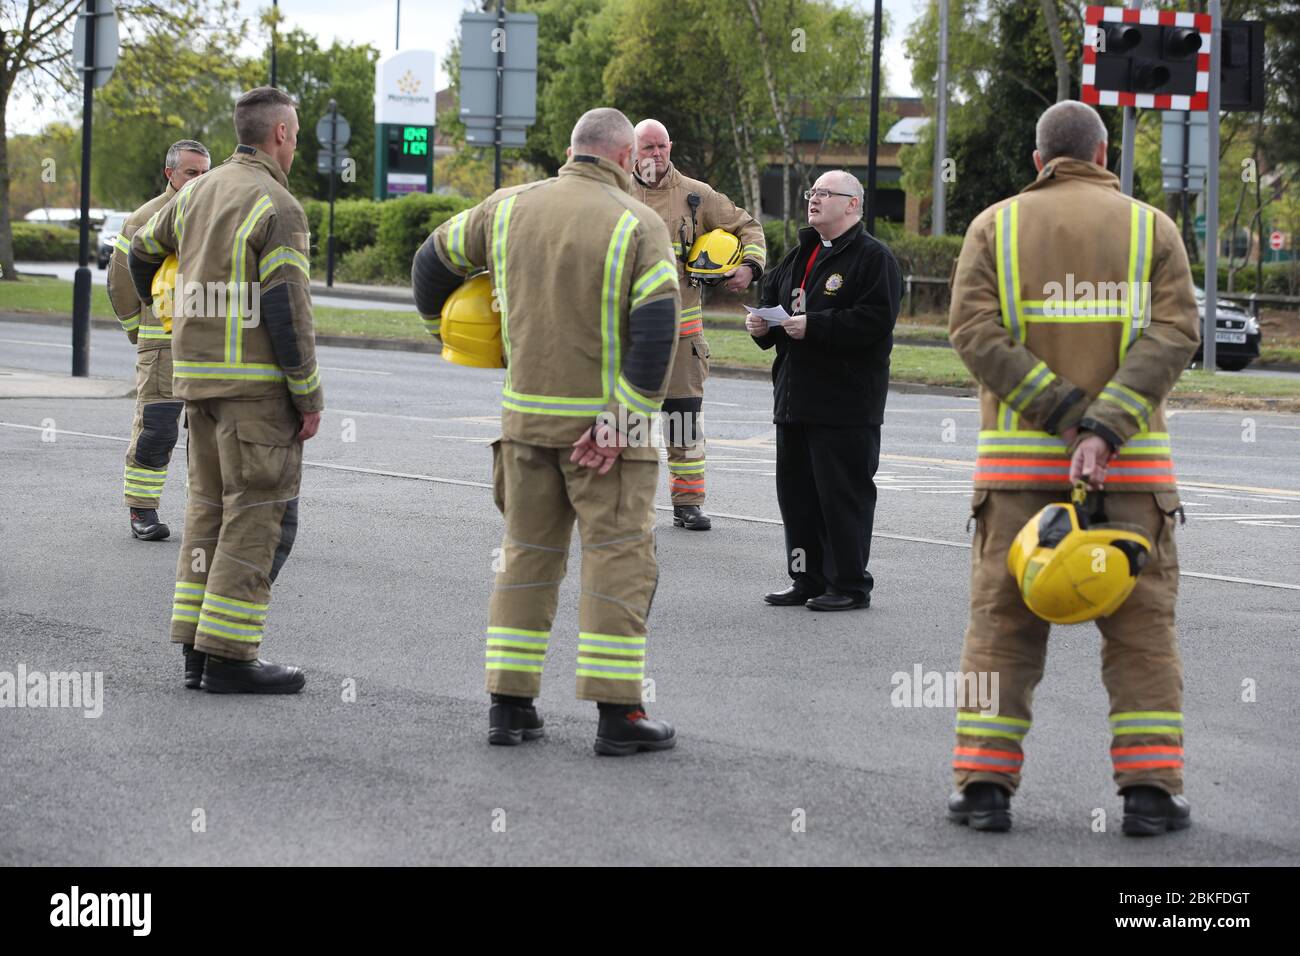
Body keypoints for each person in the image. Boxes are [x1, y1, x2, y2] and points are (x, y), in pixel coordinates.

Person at [944, 100, 1199, 834]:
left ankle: (983, 787)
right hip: (1131, 481)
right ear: (1104, 152)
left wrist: (1058, 414)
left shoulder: (996, 226)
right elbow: (1176, 331)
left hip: (1018, 482)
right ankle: (1151, 793)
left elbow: (972, 331)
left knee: (1001, 631)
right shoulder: (1154, 228)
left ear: (1038, 160)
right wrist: (1103, 426)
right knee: (1142, 638)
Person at [411, 108, 681, 755]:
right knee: (617, 564)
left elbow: (430, 263)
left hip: (525, 428)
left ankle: (509, 708)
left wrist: (441, 332)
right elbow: (657, 330)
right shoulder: (639, 224)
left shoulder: (504, 209)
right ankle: (620, 718)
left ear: (571, 151)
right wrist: (621, 420)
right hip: (606, 440)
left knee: (526, 561)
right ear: (622, 158)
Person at [129, 87, 323, 694]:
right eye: (296, 132)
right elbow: (286, 309)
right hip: (257, 393)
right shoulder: (277, 205)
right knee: (258, 516)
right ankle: (232, 656)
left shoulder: (195, 193)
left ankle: (196, 648)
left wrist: (165, 321)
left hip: (197, 384)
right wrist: (308, 394)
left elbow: (141, 252)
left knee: (207, 512)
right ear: (282, 134)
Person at [746, 170, 901, 611]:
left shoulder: (873, 259)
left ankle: (849, 584)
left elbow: (874, 321)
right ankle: (806, 578)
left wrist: (816, 327)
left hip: (845, 404)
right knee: (797, 497)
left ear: (852, 204)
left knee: (842, 497)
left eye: (825, 193)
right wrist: (761, 325)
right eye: (812, 192)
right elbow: (775, 305)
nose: (813, 199)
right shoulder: (799, 255)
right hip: (794, 400)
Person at [631, 118, 766, 531]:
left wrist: (749, 267)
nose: (656, 155)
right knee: (627, 422)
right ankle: (626, 506)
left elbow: (748, 227)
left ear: (671, 146)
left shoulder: (696, 195)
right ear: (631, 152)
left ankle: (687, 504)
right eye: (647, 148)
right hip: (626, 334)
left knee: (683, 420)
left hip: (682, 337)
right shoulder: (613, 192)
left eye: (662, 147)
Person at [107, 139, 211, 541]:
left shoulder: (213, 213)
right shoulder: (145, 218)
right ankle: (142, 513)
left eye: (205, 173)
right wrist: (139, 330)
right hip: (162, 345)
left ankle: (206, 515)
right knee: (158, 427)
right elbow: (120, 280)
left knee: (207, 433)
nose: (199, 180)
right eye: (191, 172)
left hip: (207, 343)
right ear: (170, 173)